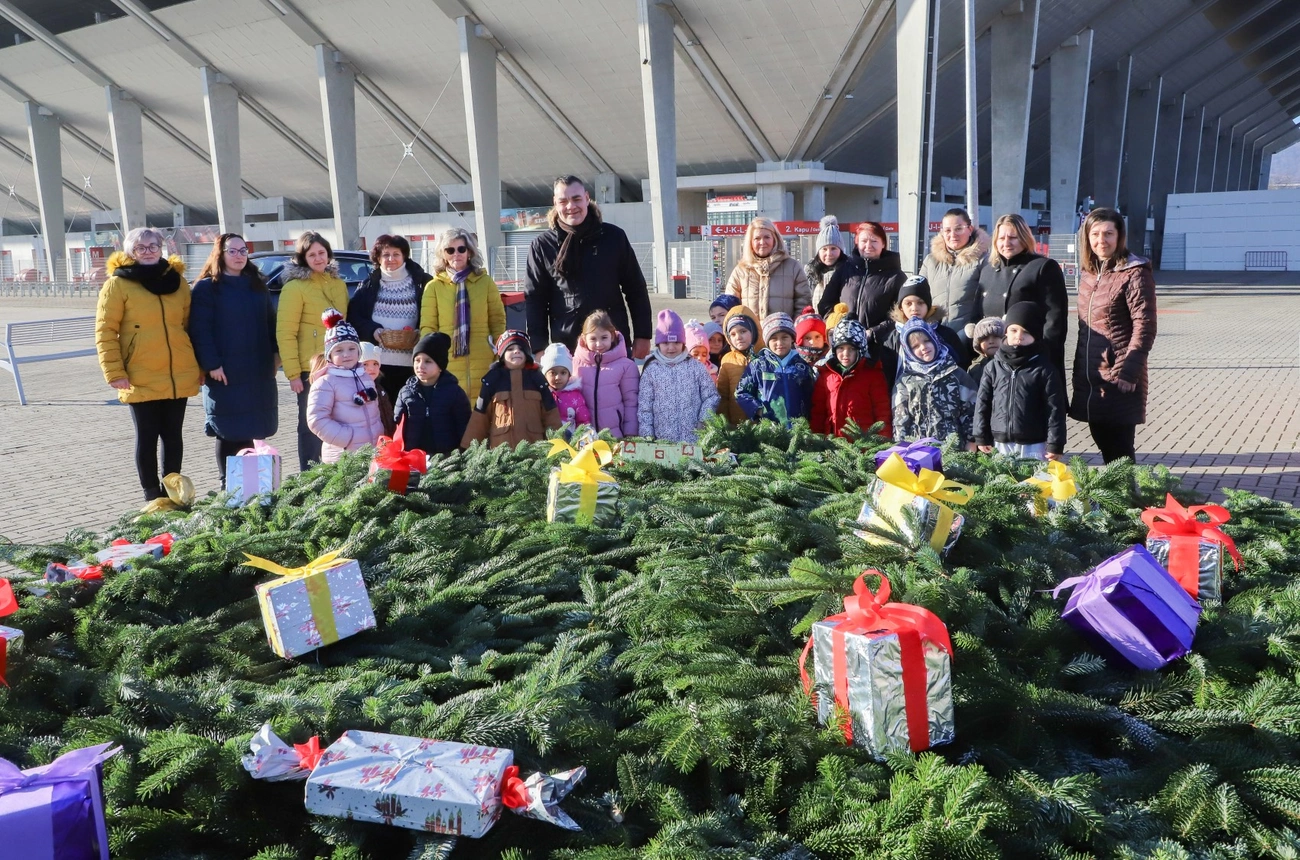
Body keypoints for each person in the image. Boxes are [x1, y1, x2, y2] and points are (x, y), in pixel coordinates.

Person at [96, 227, 201, 512]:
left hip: (178, 371)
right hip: (139, 373)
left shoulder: (177, 281)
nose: (147, 251)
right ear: (130, 251)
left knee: (173, 435)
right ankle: (152, 496)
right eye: (140, 247)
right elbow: (106, 330)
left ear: (162, 248)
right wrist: (114, 372)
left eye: (153, 246)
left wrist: (198, 365)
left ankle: (175, 492)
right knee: (147, 436)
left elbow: (190, 326)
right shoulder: (117, 285)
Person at [525, 175, 653, 358]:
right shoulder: (542, 246)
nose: (571, 206)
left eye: (576, 199)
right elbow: (535, 299)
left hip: (613, 343)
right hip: (567, 349)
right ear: (555, 203)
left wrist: (643, 335)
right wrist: (538, 347)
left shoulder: (614, 237)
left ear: (586, 198)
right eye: (563, 201)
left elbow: (636, 288)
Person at [187, 233, 278, 488]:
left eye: (243, 251)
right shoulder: (207, 288)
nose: (239, 256)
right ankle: (228, 485)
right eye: (232, 251)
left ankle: (253, 486)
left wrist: (275, 356)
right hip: (225, 371)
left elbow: (270, 323)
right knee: (228, 430)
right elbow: (200, 329)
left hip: (258, 370)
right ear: (220, 254)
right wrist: (211, 363)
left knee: (254, 429)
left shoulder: (256, 284)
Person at [1069, 207, 1157, 464]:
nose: (1101, 240)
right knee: (1102, 440)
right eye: (1094, 234)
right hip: (1092, 374)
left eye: (1108, 233)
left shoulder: (1134, 273)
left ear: (1120, 236)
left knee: (1119, 450)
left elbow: (1145, 325)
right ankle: (1115, 500)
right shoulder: (1089, 273)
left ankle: (1126, 501)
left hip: (1120, 375)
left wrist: (1129, 371)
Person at [277, 230, 349, 471]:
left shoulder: (338, 284)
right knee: (309, 425)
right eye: (312, 254)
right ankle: (309, 474)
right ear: (303, 257)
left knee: (336, 422)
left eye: (322, 253)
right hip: (310, 370)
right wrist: (293, 374)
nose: (318, 258)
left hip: (338, 367)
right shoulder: (295, 287)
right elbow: (286, 333)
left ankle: (334, 472)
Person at [420, 226, 507, 403]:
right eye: (450, 250)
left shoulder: (486, 282)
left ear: (469, 252)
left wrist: (499, 352)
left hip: (483, 358)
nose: (456, 254)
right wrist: (431, 358)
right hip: (448, 360)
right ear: (443, 254)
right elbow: (428, 328)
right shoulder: (434, 287)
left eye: (461, 249)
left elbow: (498, 320)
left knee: (483, 415)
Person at [977, 213, 1068, 378]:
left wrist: (1043, 356)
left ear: (1024, 238)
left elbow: (1054, 320)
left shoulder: (1043, 267)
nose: (1006, 243)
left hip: (1032, 361)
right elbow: (977, 314)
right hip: (995, 363)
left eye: (1013, 237)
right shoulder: (987, 271)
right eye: (1001, 238)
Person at [972, 302, 1067, 460]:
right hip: (1000, 441)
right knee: (1002, 482)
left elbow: (1055, 410)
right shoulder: (993, 367)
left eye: (1026, 332)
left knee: (1034, 483)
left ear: (1035, 335)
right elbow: (983, 403)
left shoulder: (1044, 369)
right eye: (1013, 330)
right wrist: (981, 436)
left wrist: (1055, 444)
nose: (1019, 336)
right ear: (1006, 332)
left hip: (1034, 442)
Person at [348, 234, 431, 403]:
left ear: (404, 256)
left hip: (413, 364)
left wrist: (420, 331)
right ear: (378, 258)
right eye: (386, 255)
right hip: (378, 366)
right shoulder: (369, 285)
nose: (391, 259)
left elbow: (431, 314)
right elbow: (354, 317)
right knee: (382, 412)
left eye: (396, 254)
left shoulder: (422, 282)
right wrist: (374, 330)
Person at [306, 310, 385, 464]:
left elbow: (374, 410)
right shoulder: (325, 382)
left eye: (351, 349)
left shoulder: (365, 376)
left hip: (372, 451)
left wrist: (379, 431)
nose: (346, 354)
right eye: (339, 350)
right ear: (330, 354)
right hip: (343, 457)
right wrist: (346, 438)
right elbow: (317, 419)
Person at [461, 330, 561, 448]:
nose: (516, 351)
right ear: (502, 355)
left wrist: (559, 444)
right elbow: (480, 418)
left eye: (521, 348)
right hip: (501, 453)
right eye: (510, 349)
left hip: (533, 451)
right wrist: (467, 448)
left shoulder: (537, 379)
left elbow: (550, 415)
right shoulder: (493, 380)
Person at [891, 318, 977, 449]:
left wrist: (971, 440)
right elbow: (900, 420)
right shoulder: (905, 381)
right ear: (908, 351)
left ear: (934, 339)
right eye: (915, 346)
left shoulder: (956, 374)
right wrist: (901, 447)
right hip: (918, 451)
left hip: (953, 451)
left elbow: (971, 411)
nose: (923, 347)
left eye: (927, 341)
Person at [816, 221, 907, 343]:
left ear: (883, 244)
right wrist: (836, 322)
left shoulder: (896, 277)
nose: (868, 245)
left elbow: (901, 314)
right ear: (857, 242)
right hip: (845, 346)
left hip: (881, 346)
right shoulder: (844, 270)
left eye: (874, 241)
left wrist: (873, 332)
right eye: (864, 241)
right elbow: (825, 304)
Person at [637, 309, 719, 443]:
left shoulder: (695, 367)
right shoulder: (651, 370)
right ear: (658, 344)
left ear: (683, 342)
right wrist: (647, 436)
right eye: (666, 343)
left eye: (676, 343)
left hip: (693, 439)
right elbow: (645, 406)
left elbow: (711, 396)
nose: (671, 348)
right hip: (662, 441)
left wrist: (704, 421)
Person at [919, 208, 989, 359]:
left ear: (970, 229)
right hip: (935, 336)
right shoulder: (931, 261)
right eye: (947, 230)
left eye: (958, 229)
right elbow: (919, 295)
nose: (952, 235)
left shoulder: (983, 259)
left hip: (968, 338)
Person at [876, 276, 967, 388]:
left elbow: (961, 368)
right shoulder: (892, 339)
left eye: (920, 302)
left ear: (928, 306)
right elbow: (885, 377)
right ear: (901, 308)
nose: (914, 308)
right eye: (908, 303)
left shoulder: (946, 335)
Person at [811, 316, 891, 439]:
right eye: (841, 348)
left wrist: (883, 444)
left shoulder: (873, 375)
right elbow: (818, 413)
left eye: (852, 349)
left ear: (860, 350)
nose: (845, 354)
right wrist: (817, 442)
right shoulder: (826, 375)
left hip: (864, 447)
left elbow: (882, 413)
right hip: (833, 445)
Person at [394, 332, 471, 457]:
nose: (420, 366)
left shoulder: (454, 392)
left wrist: (462, 454)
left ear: (440, 366)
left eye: (428, 361)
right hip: (413, 458)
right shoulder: (405, 393)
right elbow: (397, 426)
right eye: (417, 360)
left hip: (447, 458)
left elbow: (464, 426)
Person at [735, 312, 816, 428]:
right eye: (774, 338)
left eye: (784, 337)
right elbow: (740, 392)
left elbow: (812, 397)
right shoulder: (758, 366)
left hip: (798, 431)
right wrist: (758, 410)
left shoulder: (802, 367)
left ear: (792, 339)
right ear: (767, 341)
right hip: (768, 430)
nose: (779, 343)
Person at [724, 217, 811, 319]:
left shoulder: (793, 267)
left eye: (767, 237)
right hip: (750, 334)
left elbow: (804, 302)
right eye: (757, 238)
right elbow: (730, 306)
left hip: (784, 333)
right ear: (750, 242)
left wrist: (793, 328)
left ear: (775, 238)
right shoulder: (740, 271)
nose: (762, 242)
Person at [573, 309, 640, 438]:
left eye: (604, 338)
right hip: (584, 436)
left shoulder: (626, 366)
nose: (599, 344)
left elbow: (631, 402)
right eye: (593, 338)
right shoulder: (575, 364)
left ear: (612, 336)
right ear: (584, 339)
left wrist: (630, 432)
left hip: (615, 435)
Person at [716, 305, 760, 425]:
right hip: (736, 425)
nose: (738, 337)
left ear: (754, 331)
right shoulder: (727, 360)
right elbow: (723, 396)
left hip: (763, 426)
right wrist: (724, 424)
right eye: (733, 334)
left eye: (743, 331)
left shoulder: (764, 358)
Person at [539, 342, 591, 429]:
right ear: (545, 375)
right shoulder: (543, 395)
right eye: (552, 373)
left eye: (563, 373)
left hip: (572, 440)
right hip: (549, 440)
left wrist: (583, 434)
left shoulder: (576, 396)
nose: (558, 377)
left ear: (569, 374)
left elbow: (583, 420)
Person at [804, 216, 850, 310]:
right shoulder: (810, 273)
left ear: (841, 250)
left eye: (833, 248)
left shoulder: (850, 271)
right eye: (824, 249)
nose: (829, 254)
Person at [360, 342, 396, 436]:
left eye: (375, 363)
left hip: (384, 439)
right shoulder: (356, 391)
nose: (371, 368)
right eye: (365, 364)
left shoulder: (380, 389)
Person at [965, 316, 1005, 389]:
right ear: (978, 344)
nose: (991, 341)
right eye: (985, 338)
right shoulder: (974, 369)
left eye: (996, 336)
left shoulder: (1012, 364)